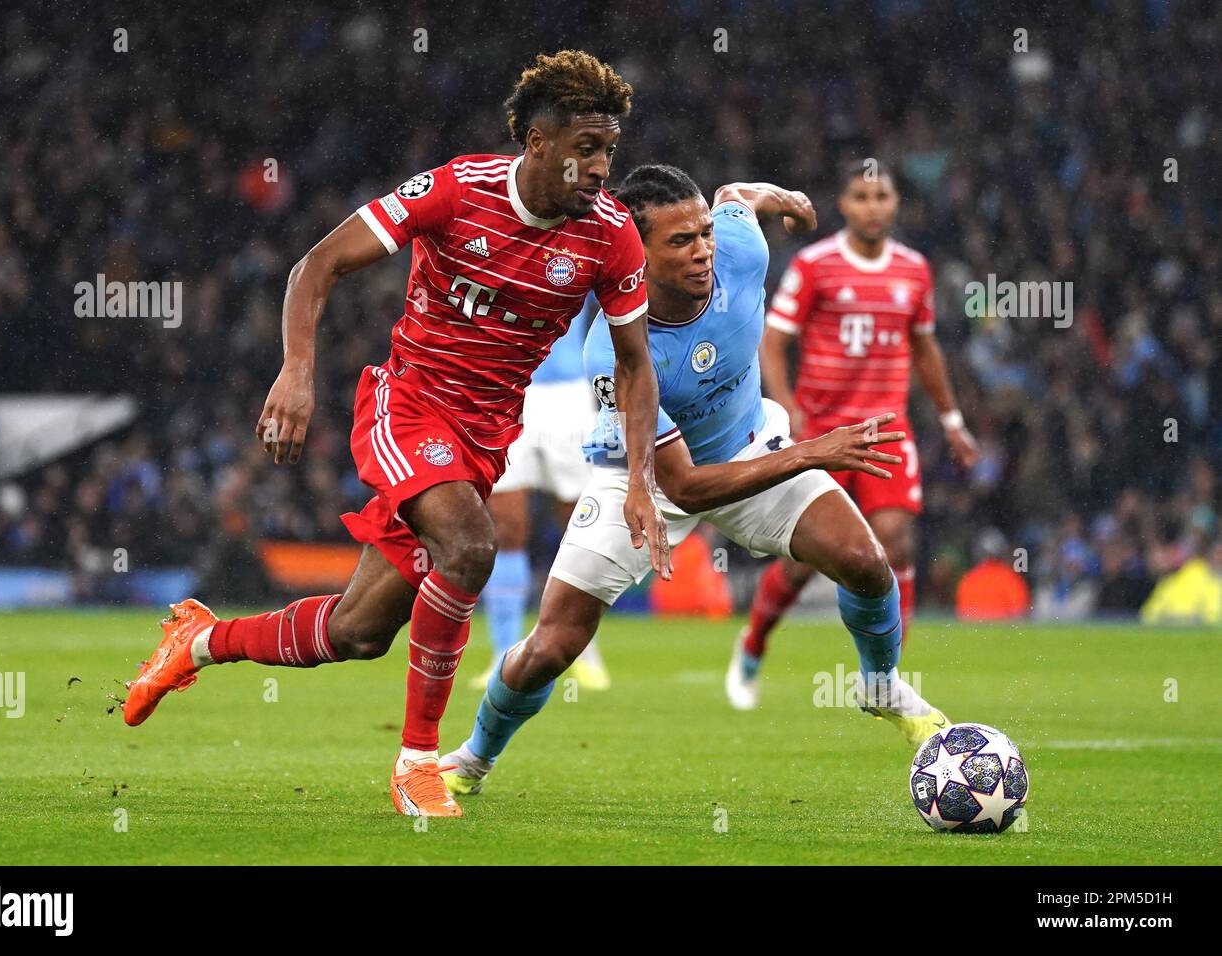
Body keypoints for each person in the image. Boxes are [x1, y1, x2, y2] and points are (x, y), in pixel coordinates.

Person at [120, 51, 670, 818]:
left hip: (484, 439)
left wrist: (641, 478)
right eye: (587, 148)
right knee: (472, 548)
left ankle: (201, 641)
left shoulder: (610, 236)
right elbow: (317, 265)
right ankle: (417, 762)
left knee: (357, 631)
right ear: (538, 143)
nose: (603, 167)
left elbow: (637, 366)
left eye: (609, 149)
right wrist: (297, 372)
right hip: (407, 407)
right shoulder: (457, 190)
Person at [440, 165, 948, 797]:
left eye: (703, 233)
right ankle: (471, 760)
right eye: (680, 242)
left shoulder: (740, 250)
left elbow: (735, 194)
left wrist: (782, 195)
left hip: (750, 444)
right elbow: (686, 488)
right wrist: (812, 453)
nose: (702, 250)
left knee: (865, 561)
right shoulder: (619, 352)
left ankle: (879, 685)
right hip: (645, 480)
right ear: (635, 250)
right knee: (552, 645)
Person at [731, 159, 979, 710]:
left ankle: (887, 676)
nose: (873, 206)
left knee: (895, 543)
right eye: (861, 196)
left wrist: (952, 420)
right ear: (843, 205)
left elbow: (925, 348)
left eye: (882, 195)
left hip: (887, 429)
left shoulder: (914, 270)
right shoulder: (816, 265)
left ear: (896, 204)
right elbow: (772, 341)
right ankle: (751, 645)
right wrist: (788, 408)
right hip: (822, 431)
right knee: (803, 563)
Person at [474, 297, 612, 692]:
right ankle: (503, 652)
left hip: (569, 394)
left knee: (583, 527)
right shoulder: (493, 239)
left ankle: (584, 649)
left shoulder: (584, 235)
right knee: (507, 529)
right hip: (507, 390)